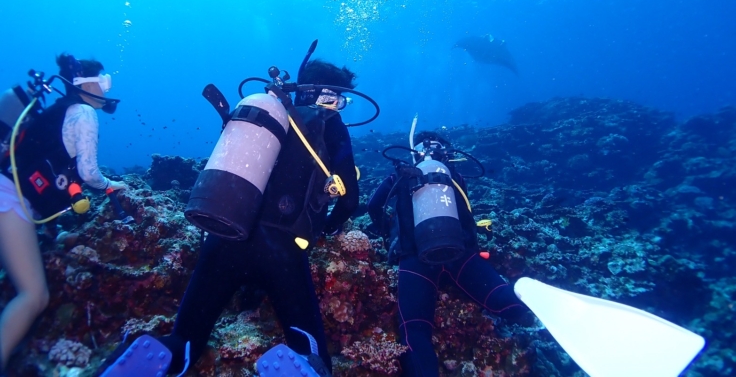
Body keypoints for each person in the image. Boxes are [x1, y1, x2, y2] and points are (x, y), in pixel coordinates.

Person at [151, 59, 360, 374]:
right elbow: (350, 199)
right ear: (326, 94)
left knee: (183, 341)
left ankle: (155, 358)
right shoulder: (330, 124)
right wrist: (330, 228)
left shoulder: (265, 112)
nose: (339, 106)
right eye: (338, 98)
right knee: (309, 353)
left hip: (224, 234)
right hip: (281, 251)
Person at [0, 54, 125, 374]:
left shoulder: (60, 110)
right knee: (34, 296)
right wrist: (112, 185)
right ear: (86, 84)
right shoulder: (84, 113)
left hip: (10, 192)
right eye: (104, 81)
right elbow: (88, 172)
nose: (107, 88)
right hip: (9, 198)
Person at [368, 131, 528, 377]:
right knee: (499, 297)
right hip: (460, 255)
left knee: (415, 331)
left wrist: (388, 232)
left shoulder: (399, 176)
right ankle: (533, 303)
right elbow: (465, 215)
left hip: (415, 260)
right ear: (445, 153)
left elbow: (373, 205)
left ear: (415, 153)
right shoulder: (453, 176)